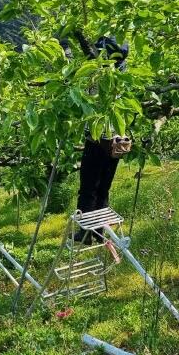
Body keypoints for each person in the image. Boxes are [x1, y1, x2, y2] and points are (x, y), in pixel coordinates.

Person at [75, 36, 131, 242]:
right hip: (117, 140)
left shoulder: (97, 74)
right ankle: (100, 231)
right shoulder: (123, 71)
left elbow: (84, 95)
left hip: (97, 138)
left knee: (88, 187)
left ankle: (86, 232)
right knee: (104, 186)